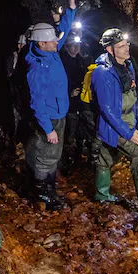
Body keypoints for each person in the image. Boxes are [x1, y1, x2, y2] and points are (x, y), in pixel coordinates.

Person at [91, 27, 138, 224]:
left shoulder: (127, 65)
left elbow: (131, 94)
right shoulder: (102, 73)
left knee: (107, 155)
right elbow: (108, 110)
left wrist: (134, 117)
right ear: (110, 50)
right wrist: (129, 132)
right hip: (113, 124)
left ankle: (101, 194)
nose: (127, 48)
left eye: (126, 44)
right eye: (120, 46)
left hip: (125, 120)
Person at [23, 0, 80, 210]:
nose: (58, 42)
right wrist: (48, 129)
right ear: (41, 43)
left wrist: (71, 10)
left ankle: (49, 190)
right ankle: (41, 194)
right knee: (45, 156)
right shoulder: (36, 68)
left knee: (54, 155)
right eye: (53, 40)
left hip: (60, 113)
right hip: (49, 117)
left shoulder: (51, 52)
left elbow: (63, 31)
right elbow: (36, 103)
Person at [60, 34, 89, 175]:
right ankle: (67, 164)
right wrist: (69, 93)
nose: (76, 47)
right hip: (69, 105)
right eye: (72, 44)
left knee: (81, 133)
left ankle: (78, 161)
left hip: (81, 104)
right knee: (69, 135)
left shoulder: (82, 61)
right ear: (66, 46)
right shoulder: (62, 62)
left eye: (78, 44)